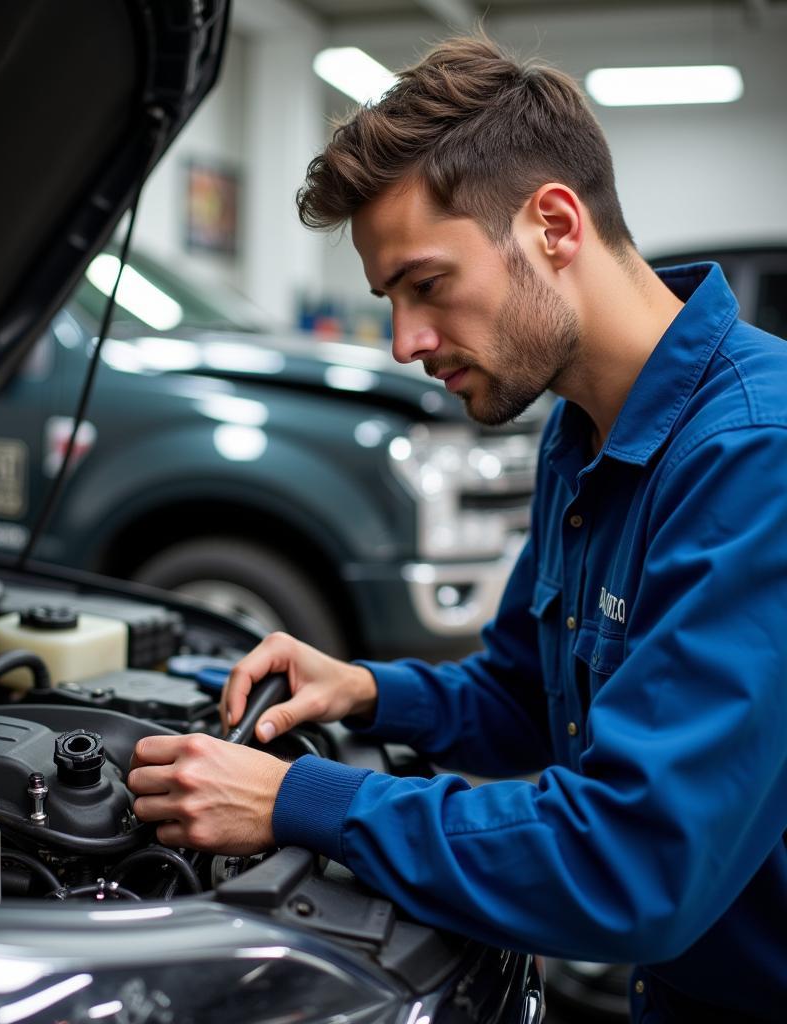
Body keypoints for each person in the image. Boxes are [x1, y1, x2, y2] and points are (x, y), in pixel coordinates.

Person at [126, 33, 787, 1022]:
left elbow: (633, 860)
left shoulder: (754, 458)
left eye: (427, 285)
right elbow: (525, 696)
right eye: (389, 299)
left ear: (554, 224)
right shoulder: (582, 425)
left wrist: (295, 802)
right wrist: (364, 688)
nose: (405, 342)